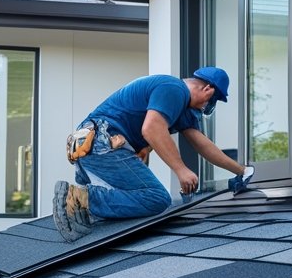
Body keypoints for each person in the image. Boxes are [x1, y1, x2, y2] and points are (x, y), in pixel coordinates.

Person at [53, 67, 253, 241]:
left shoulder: (181, 106)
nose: (205, 108)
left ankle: (80, 202)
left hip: (89, 147)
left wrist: (241, 171)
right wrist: (181, 170)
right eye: (211, 103)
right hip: (102, 146)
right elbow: (152, 128)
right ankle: (80, 198)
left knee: (119, 204)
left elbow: (203, 145)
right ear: (207, 89)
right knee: (155, 198)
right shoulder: (174, 89)